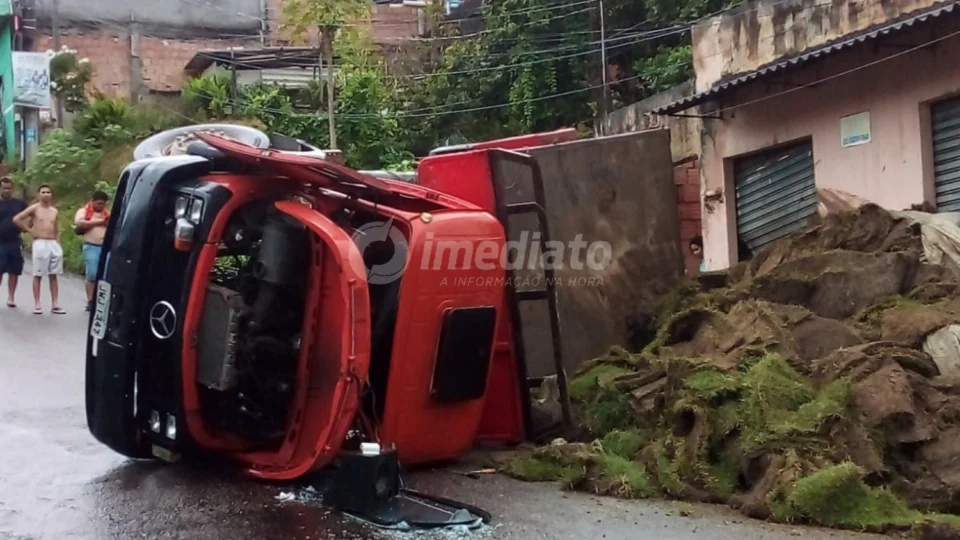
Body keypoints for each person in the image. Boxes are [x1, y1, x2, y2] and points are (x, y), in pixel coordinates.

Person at [13, 185, 65, 315]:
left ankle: (55, 304)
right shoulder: (35, 208)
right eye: (43, 192)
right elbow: (17, 219)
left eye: (48, 192)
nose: (46, 194)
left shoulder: (54, 211)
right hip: (40, 242)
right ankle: (37, 304)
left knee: (54, 274)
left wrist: (58, 245)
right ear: (38, 194)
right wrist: (30, 231)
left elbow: (56, 229)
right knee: (38, 274)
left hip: (52, 242)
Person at [75, 190, 110, 311]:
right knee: (92, 274)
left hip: (104, 248)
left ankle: (101, 300)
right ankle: (90, 300)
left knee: (105, 275)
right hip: (91, 246)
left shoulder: (106, 214)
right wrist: (100, 222)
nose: (101, 206)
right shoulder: (84, 212)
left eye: (103, 204)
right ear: (93, 201)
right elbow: (80, 223)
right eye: (99, 203)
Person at [0, 177, 27, 308]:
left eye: (9, 188)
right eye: (4, 188)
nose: (7, 191)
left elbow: (32, 214)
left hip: (14, 241)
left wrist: (27, 227)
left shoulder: (19, 204)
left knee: (14, 270)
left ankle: (11, 297)